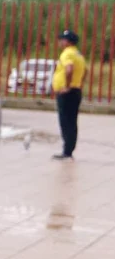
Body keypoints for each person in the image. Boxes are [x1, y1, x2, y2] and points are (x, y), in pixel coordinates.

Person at [53, 29, 86, 160]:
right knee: (72, 121)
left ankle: (66, 151)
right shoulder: (78, 54)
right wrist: (79, 83)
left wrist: (67, 86)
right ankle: (69, 150)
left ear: (68, 41)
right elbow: (86, 70)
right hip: (76, 90)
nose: (60, 41)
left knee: (65, 121)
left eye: (62, 39)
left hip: (66, 93)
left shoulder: (67, 53)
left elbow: (69, 69)